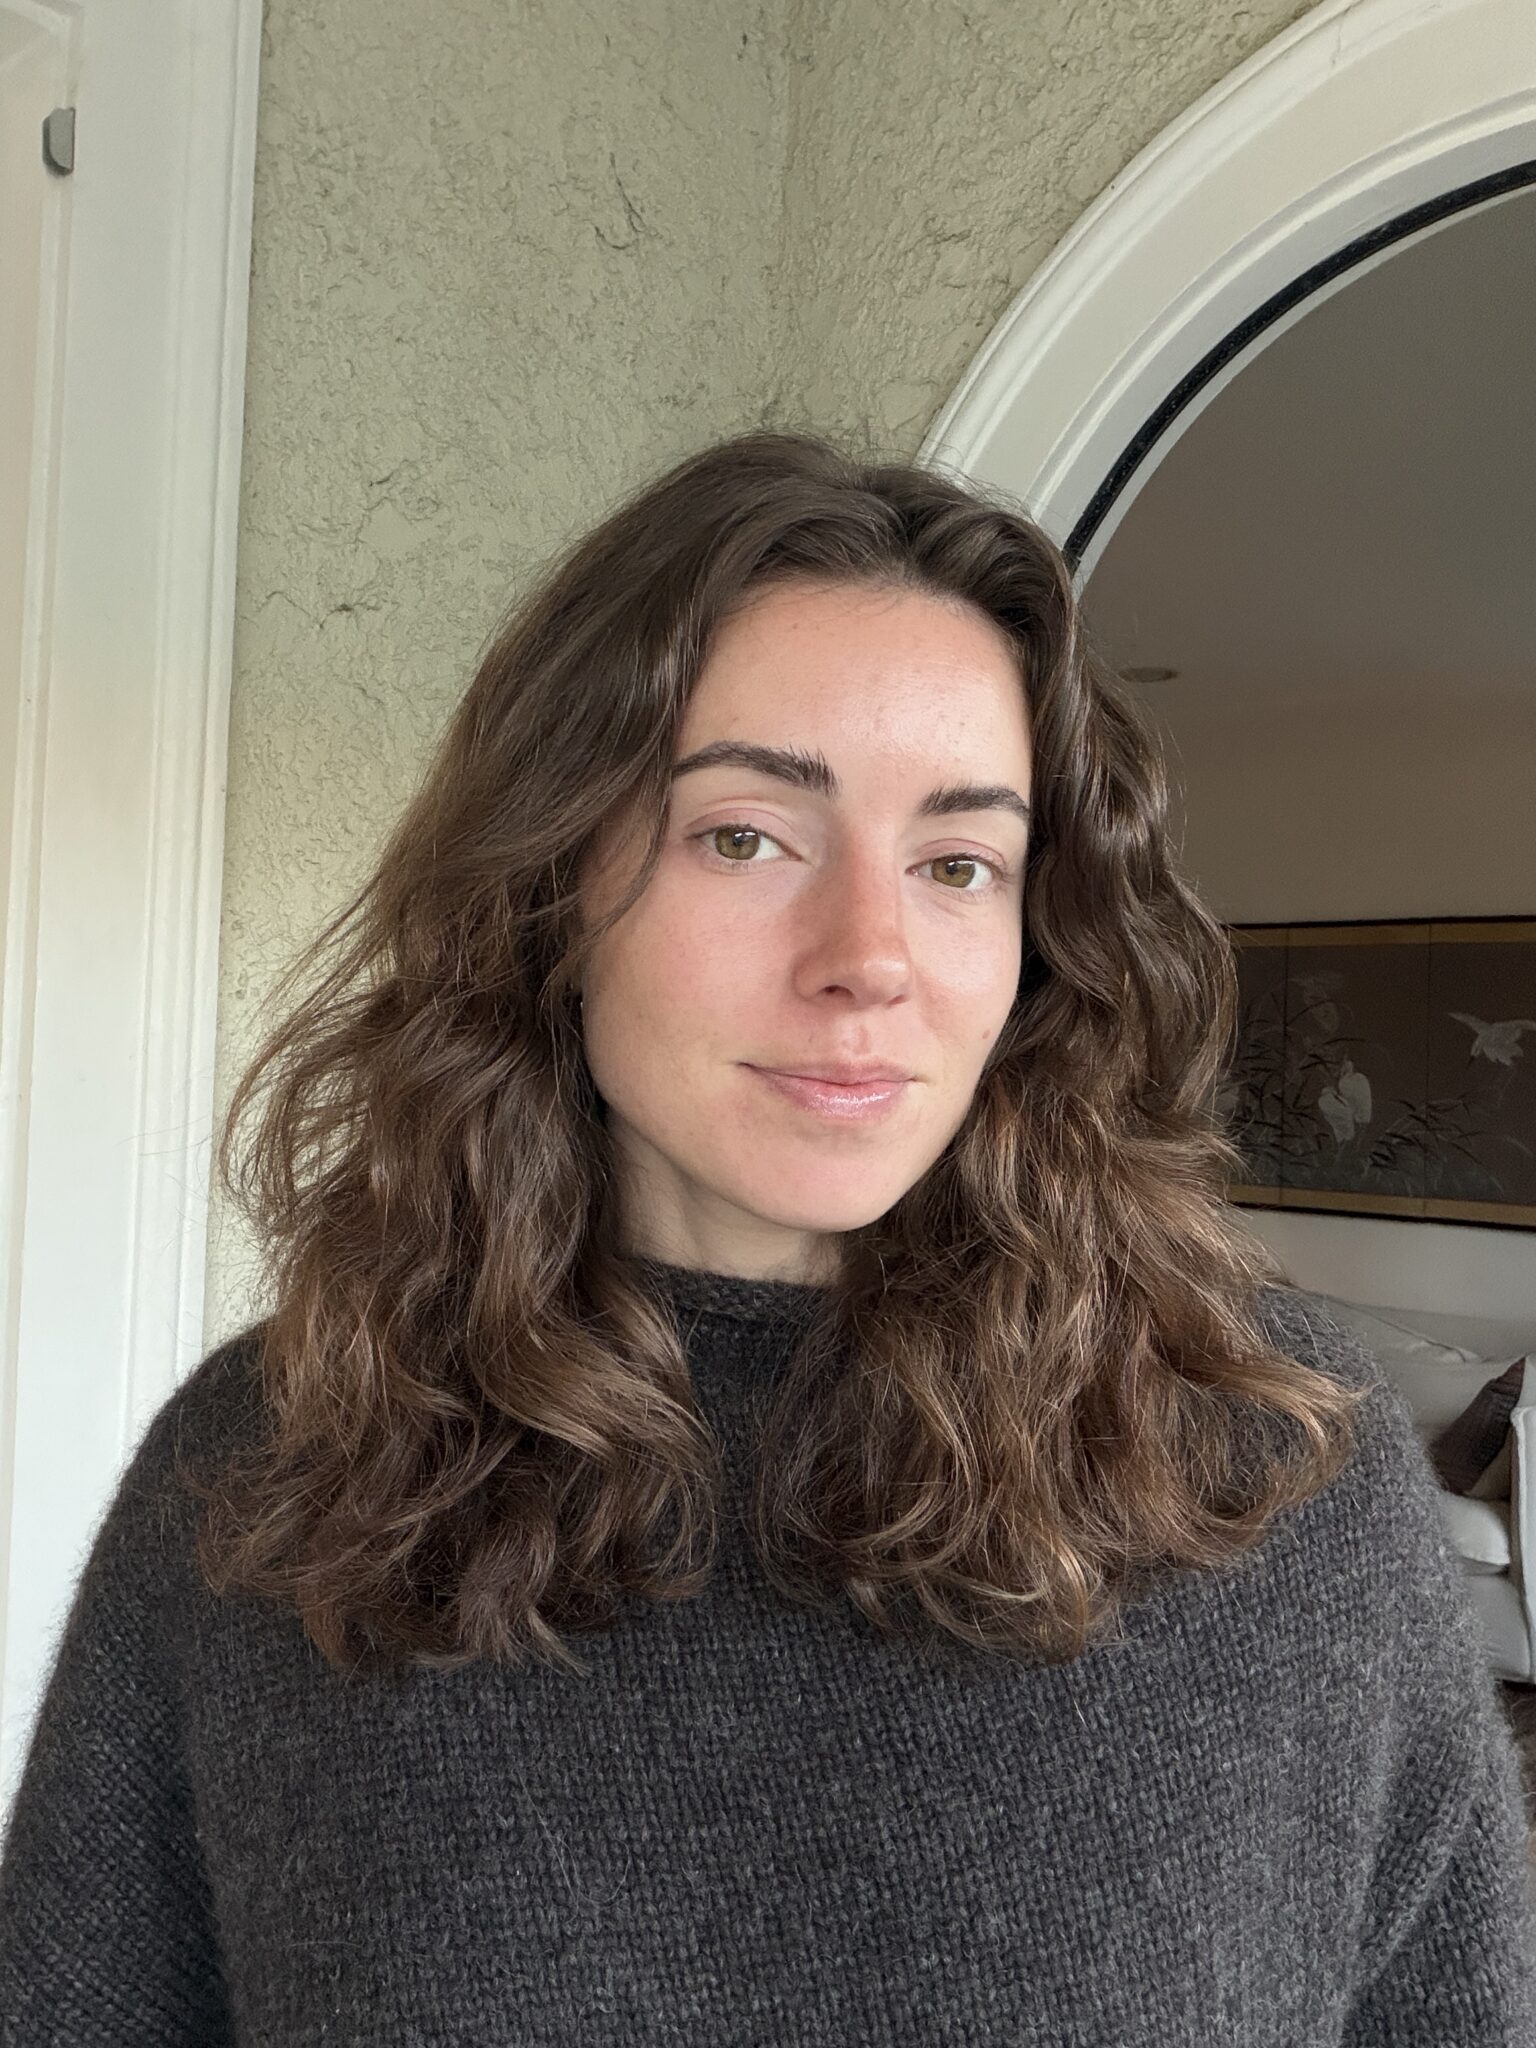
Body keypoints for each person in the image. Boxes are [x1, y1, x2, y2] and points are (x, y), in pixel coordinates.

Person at [0, 428, 1531, 2044]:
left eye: (958, 863)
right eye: (745, 835)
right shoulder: (270, 1476)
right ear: (549, 884)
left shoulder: (1281, 1482)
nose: (869, 955)